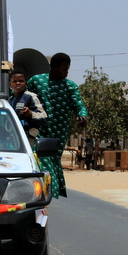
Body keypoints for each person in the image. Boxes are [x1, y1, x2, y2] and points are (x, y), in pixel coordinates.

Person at [27, 52, 89, 198]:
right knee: (41, 158)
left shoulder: (69, 86)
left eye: (67, 69)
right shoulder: (37, 81)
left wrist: (83, 115)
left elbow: (79, 104)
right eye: (64, 69)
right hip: (39, 129)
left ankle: (49, 193)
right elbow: (23, 94)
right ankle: (47, 193)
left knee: (53, 161)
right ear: (54, 67)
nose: (66, 73)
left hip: (59, 133)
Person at [7, 69, 46, 143]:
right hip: (12, 137)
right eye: (15, 81)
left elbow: (43, 116)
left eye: (21, 81)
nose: (18, 83)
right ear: (10, 84)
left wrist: (30, 114)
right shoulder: (10, 100)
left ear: (25, 83)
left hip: (27, 138)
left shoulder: (31, 97)